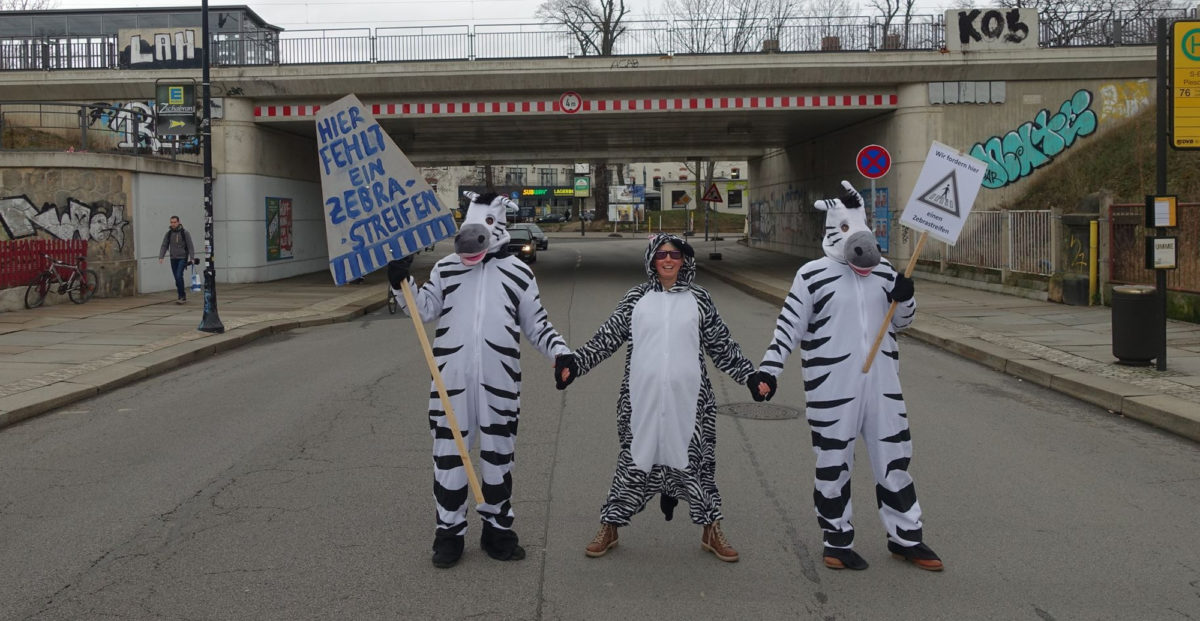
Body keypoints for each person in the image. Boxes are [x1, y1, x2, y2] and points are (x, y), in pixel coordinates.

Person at [753, 181, 942, 572]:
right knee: (833, 463)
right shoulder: (811, 275)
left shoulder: (885, 271)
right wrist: (769, 370)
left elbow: (902, 323)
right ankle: (836, 540)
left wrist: (906, 296)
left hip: (883, 386)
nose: (856, 236)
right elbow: (788, 327)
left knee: (894, 459)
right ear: (832, 229)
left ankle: (907, 537)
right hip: (831, 387)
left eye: (860, 227)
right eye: (845, 228)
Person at [389, 191, 572, 569]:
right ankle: (449, 534)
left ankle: (497, 531)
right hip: (449, 384)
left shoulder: (519, 273)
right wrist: (401, 282)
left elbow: (537, 325)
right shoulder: (446, 268)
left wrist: (561, 354)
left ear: (500, 224)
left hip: (500, 384)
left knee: (498, 459)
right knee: (448, 459)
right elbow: (423, 311)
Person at [555, 233, 761, 563]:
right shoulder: (636, 298)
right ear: (652, 259)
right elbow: (606, 338)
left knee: (698, 466)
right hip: (642, 402)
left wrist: (751, 377)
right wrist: (576, 363)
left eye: (675, 255)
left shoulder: (700, 299)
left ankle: (711, 530)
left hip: (690, 405)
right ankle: (610, 526)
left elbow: (722, 346)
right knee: (633, 462)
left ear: (684, 261)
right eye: (662, 254)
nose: (668, 260)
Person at [158, 215, 195, 304]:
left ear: (178, 222)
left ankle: (182, 296)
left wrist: (192, 257)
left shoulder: (185, 233)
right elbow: (164, 245)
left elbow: (190, 246)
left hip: (182, 258)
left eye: (175, 222)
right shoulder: (169, 234)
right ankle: (181, 295)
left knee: (179, 276)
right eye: (171, 222)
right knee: (177, 278)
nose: (173, 224)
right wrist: (161, 256)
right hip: (173, 258)